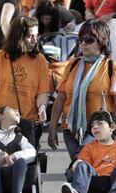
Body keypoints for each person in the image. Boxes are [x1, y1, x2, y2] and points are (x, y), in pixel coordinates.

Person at [0, 16, 49, 149]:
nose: (35, 41)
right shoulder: (0, 57)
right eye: (30, 36)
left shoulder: (40, 59)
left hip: (27, 125)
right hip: (1, 125)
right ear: (18, 36)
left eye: (36, 35)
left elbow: (43, 92)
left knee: (26, 166)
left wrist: (42, 108)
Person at [48, 19, 116, 161]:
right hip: (71, 130)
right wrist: (52, 127)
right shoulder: (73, 65)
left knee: (82, 162)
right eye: (81, 39)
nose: (83, 43)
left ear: (102, 42)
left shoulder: (111, 68)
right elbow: (61, 98)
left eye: (89, 40)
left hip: (98, 130)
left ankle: (72, 179)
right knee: (84, 169)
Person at [61, 111, 116, 193]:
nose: (95, 127)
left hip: (113, 181)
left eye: (100, 123)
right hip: (95, 180)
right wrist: (77, 164)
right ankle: (77, 190)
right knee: (82, 164)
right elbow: (82, 163)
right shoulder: (90, 147)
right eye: (92, 125)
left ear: (112, 127)